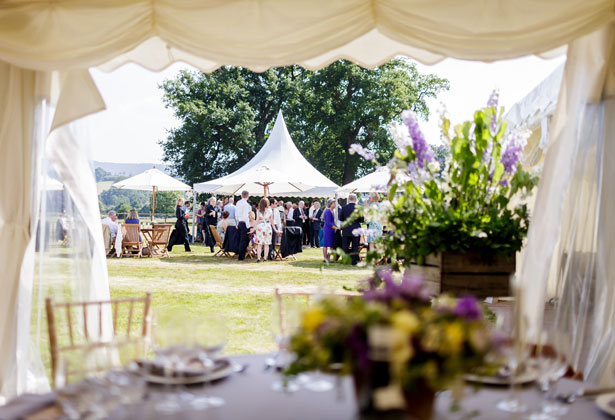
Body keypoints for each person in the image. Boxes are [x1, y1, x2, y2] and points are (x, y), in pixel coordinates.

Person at [339, 193, 364, 265]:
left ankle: (345, 260)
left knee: (345, 246)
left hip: (346, 229)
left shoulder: (343, 208)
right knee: (355, 246)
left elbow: (341, 218)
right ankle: (354, 261)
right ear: (356, 199)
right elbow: (361, 220)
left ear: (348, 199)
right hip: (356, 228)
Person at [255, 198, 278, 262]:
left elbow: (257, 220)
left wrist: (254, 228)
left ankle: (258, 258)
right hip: (267, 227)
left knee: (259, 244)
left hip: (260, 227)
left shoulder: (258, 210)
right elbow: (272, 221)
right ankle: (265, 258)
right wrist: (275, 229)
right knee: (266, 244)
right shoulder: (270, 210)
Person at [236, 190, 252, 261]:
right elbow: (246, 217)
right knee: (244, 240)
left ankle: (241, 255)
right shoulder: (246, 205)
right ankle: (241, 256)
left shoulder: (238, 203)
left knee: (241, 240)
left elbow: (236, 215)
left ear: (241, 195)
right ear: (248, 196)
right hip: (244, 223)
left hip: (239, 222)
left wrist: (237, 223)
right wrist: (248, 226)